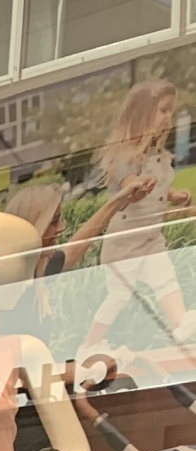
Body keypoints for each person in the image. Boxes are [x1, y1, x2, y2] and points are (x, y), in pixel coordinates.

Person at [82, 80, 196, 351]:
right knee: (119, 295)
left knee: (164, 277)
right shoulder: (125, 157)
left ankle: (180, 322)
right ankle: (89, 344)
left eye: (170, 111)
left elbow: (158, 186)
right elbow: (128, 187)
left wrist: (173, 194)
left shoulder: (158, 156)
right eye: (163, 111)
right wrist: (137, 186)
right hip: (126, 243)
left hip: (150, 237)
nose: (167, 118)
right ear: (142, 116)